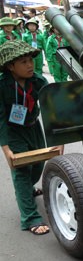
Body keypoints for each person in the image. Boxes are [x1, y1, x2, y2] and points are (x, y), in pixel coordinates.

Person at [0, 40, 63, 235]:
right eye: (24, 62)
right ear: (11, 66)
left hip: (34, 127)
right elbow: (0, 118)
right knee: (21, 170)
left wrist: (58, 139)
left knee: (38, 166)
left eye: (31, 60)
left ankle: (28, 188)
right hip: (13, 131)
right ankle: (30, 217)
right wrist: (6, 149)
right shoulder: (2, 85)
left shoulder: (39, 81)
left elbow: (52, 111)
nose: (30, 65)